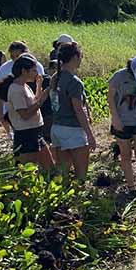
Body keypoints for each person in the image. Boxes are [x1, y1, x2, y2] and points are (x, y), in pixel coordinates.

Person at [107, 56, 136, 199]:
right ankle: (131, 188)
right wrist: (115, 118)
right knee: (126, 155)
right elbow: (110, 97)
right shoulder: (118, 77)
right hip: (122, 121)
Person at [49, 43, 95, 180]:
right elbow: (78, 110)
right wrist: (90, 135)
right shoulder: (74, 82)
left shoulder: (55, 78)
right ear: (75, 57)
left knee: (63, 175)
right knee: (81, 176)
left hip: (57, 127)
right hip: (73, 130)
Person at [2, 55, 54, 171]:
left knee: (50, 169)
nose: (36, 73)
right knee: (25, 173)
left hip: (36, 132)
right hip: (26, 135)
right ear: (24, 71)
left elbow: (33, 102)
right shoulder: (16, 89)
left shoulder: (25, 86)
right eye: (34, 70)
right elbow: (25, 114)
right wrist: (41, 102)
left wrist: (39, 86)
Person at [0, 41, 45, 135]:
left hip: (34, 120)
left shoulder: (32, 74)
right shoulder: (14, 86)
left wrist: (40, 88)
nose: (16, 59)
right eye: (13, 56)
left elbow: (35, 99)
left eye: (18, 55)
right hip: (24, 127)